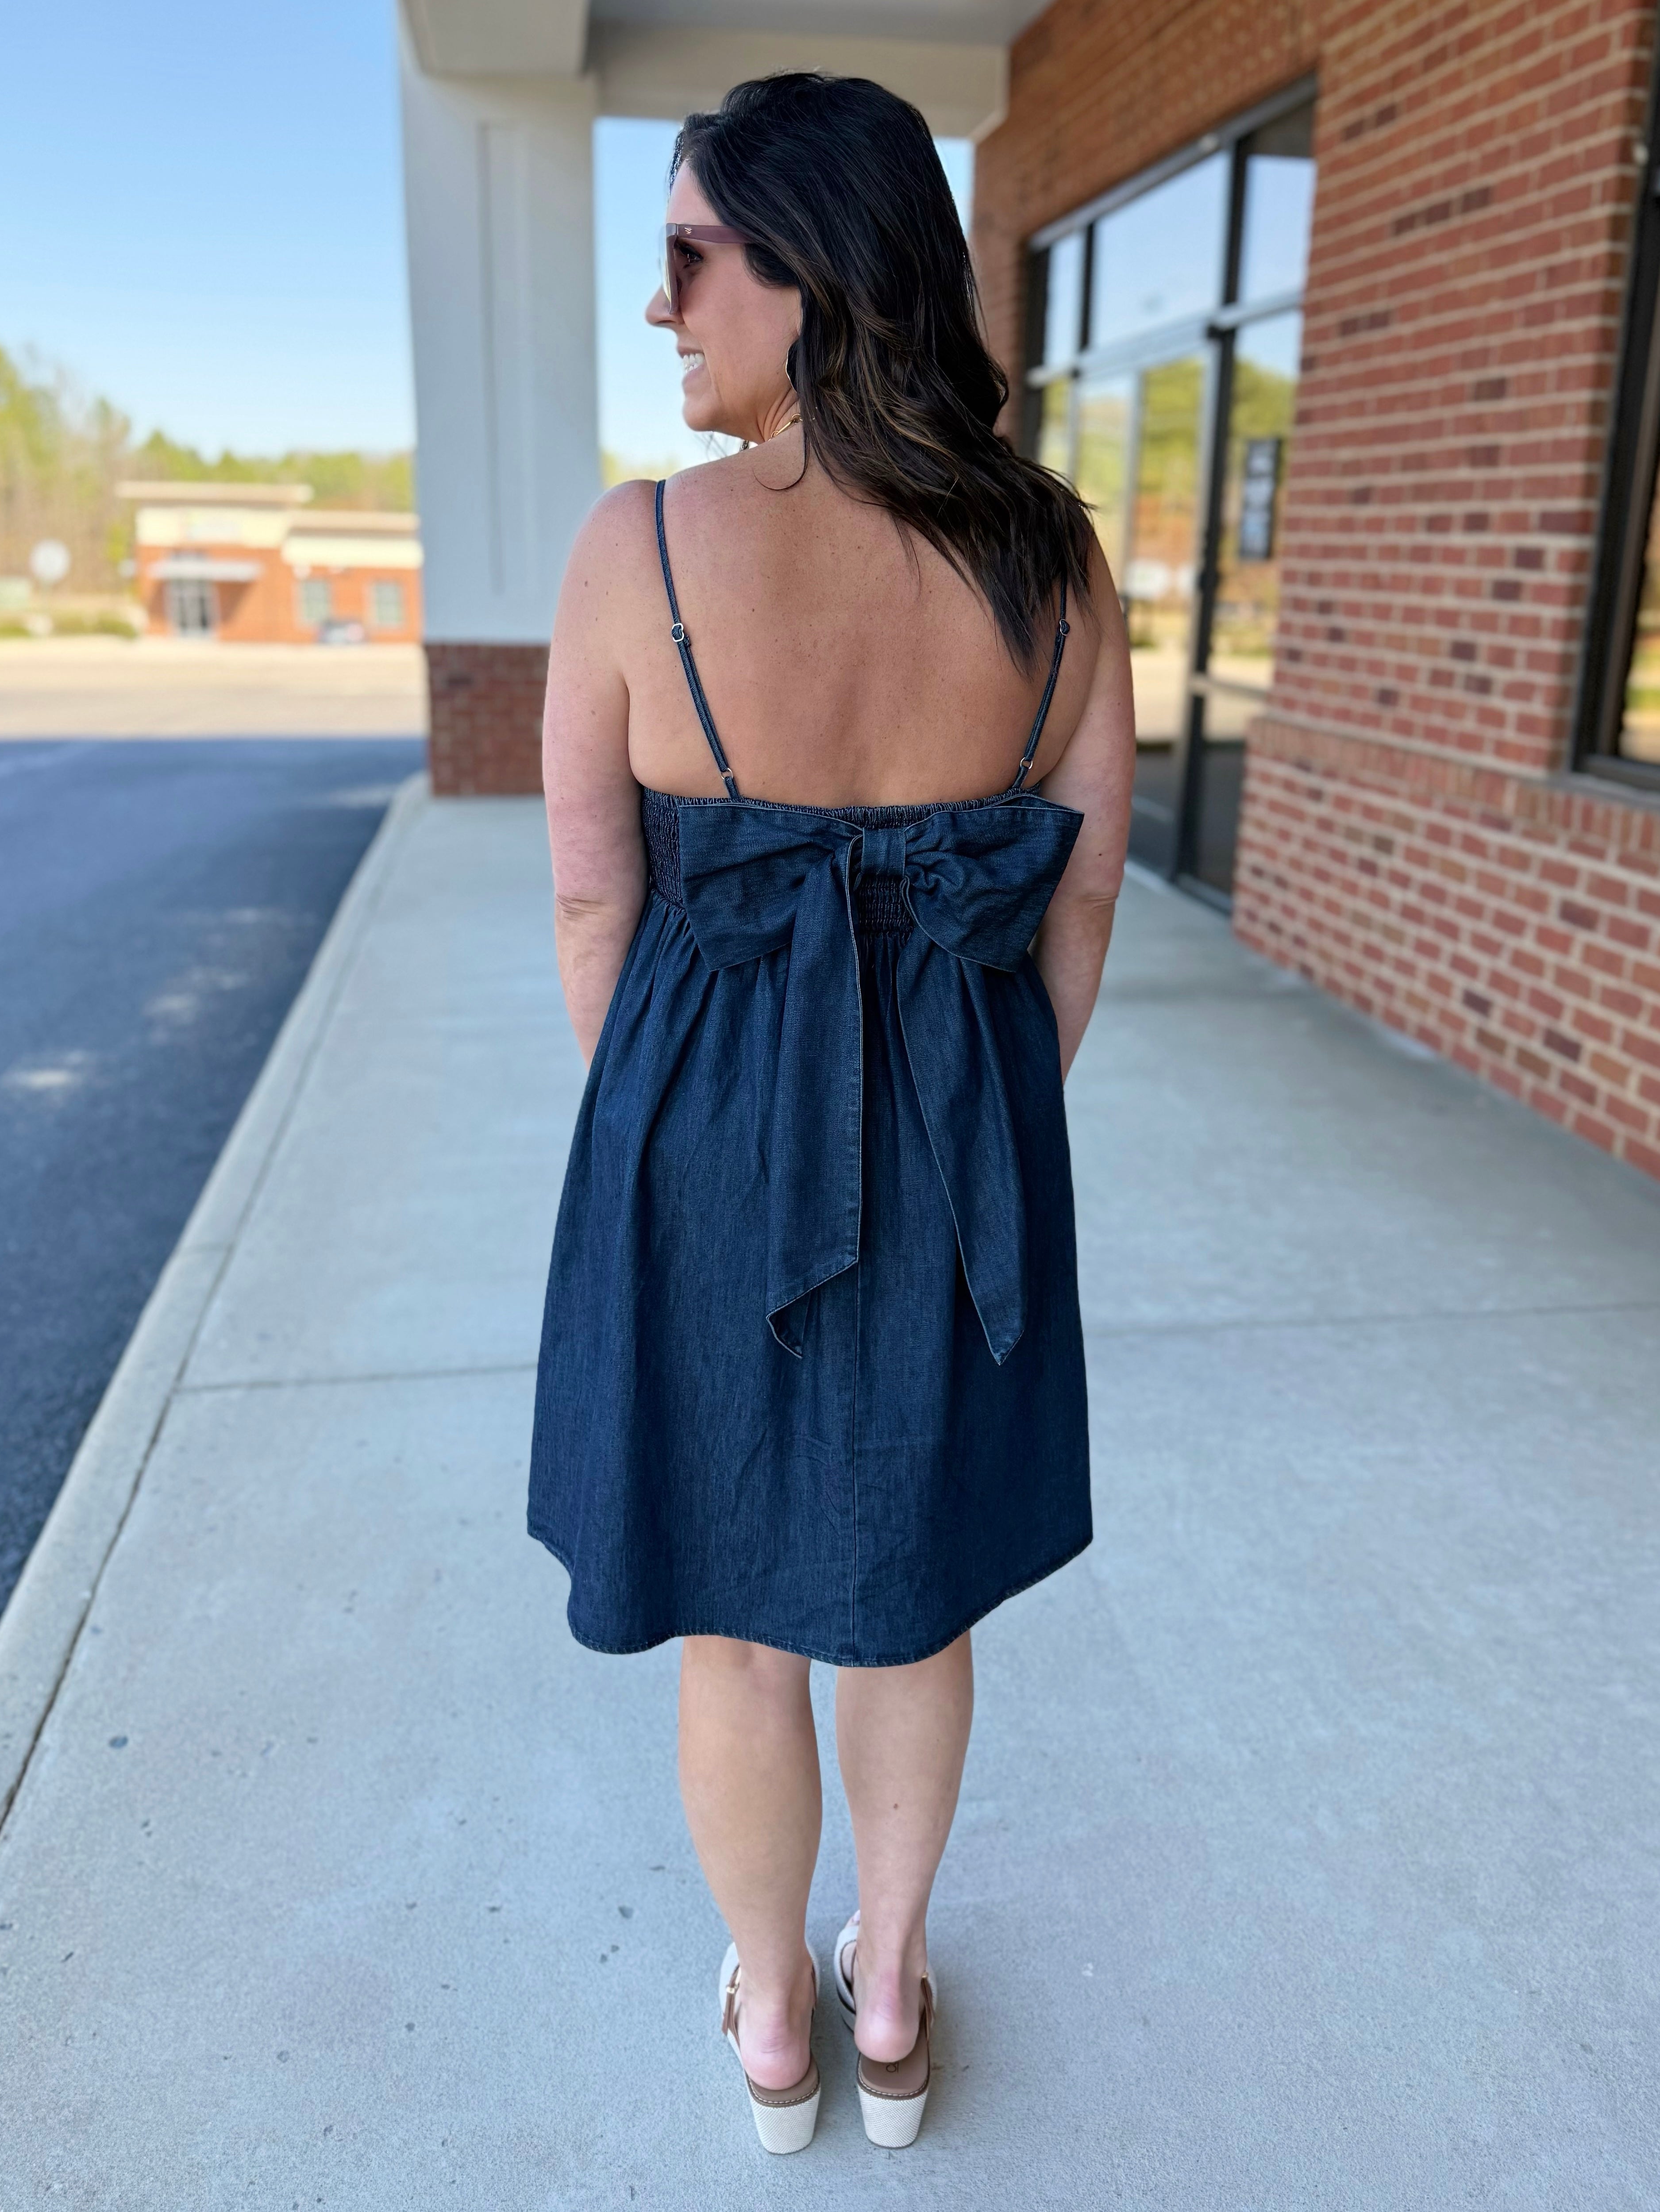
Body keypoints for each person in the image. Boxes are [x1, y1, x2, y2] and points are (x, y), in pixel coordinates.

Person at [528, 71, 1134, 2154]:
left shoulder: (638, 551)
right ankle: (887, 1984)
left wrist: (673, 1143)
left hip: (701, 1134)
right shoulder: (1053, 560)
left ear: (806, 271)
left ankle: (771, 2017)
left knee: (734, 1616)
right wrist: (963, 1113)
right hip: (965, 1133)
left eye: (685, 259)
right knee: (913, 1584)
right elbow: (1075, 907)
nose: (661, 310)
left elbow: (596, 895)